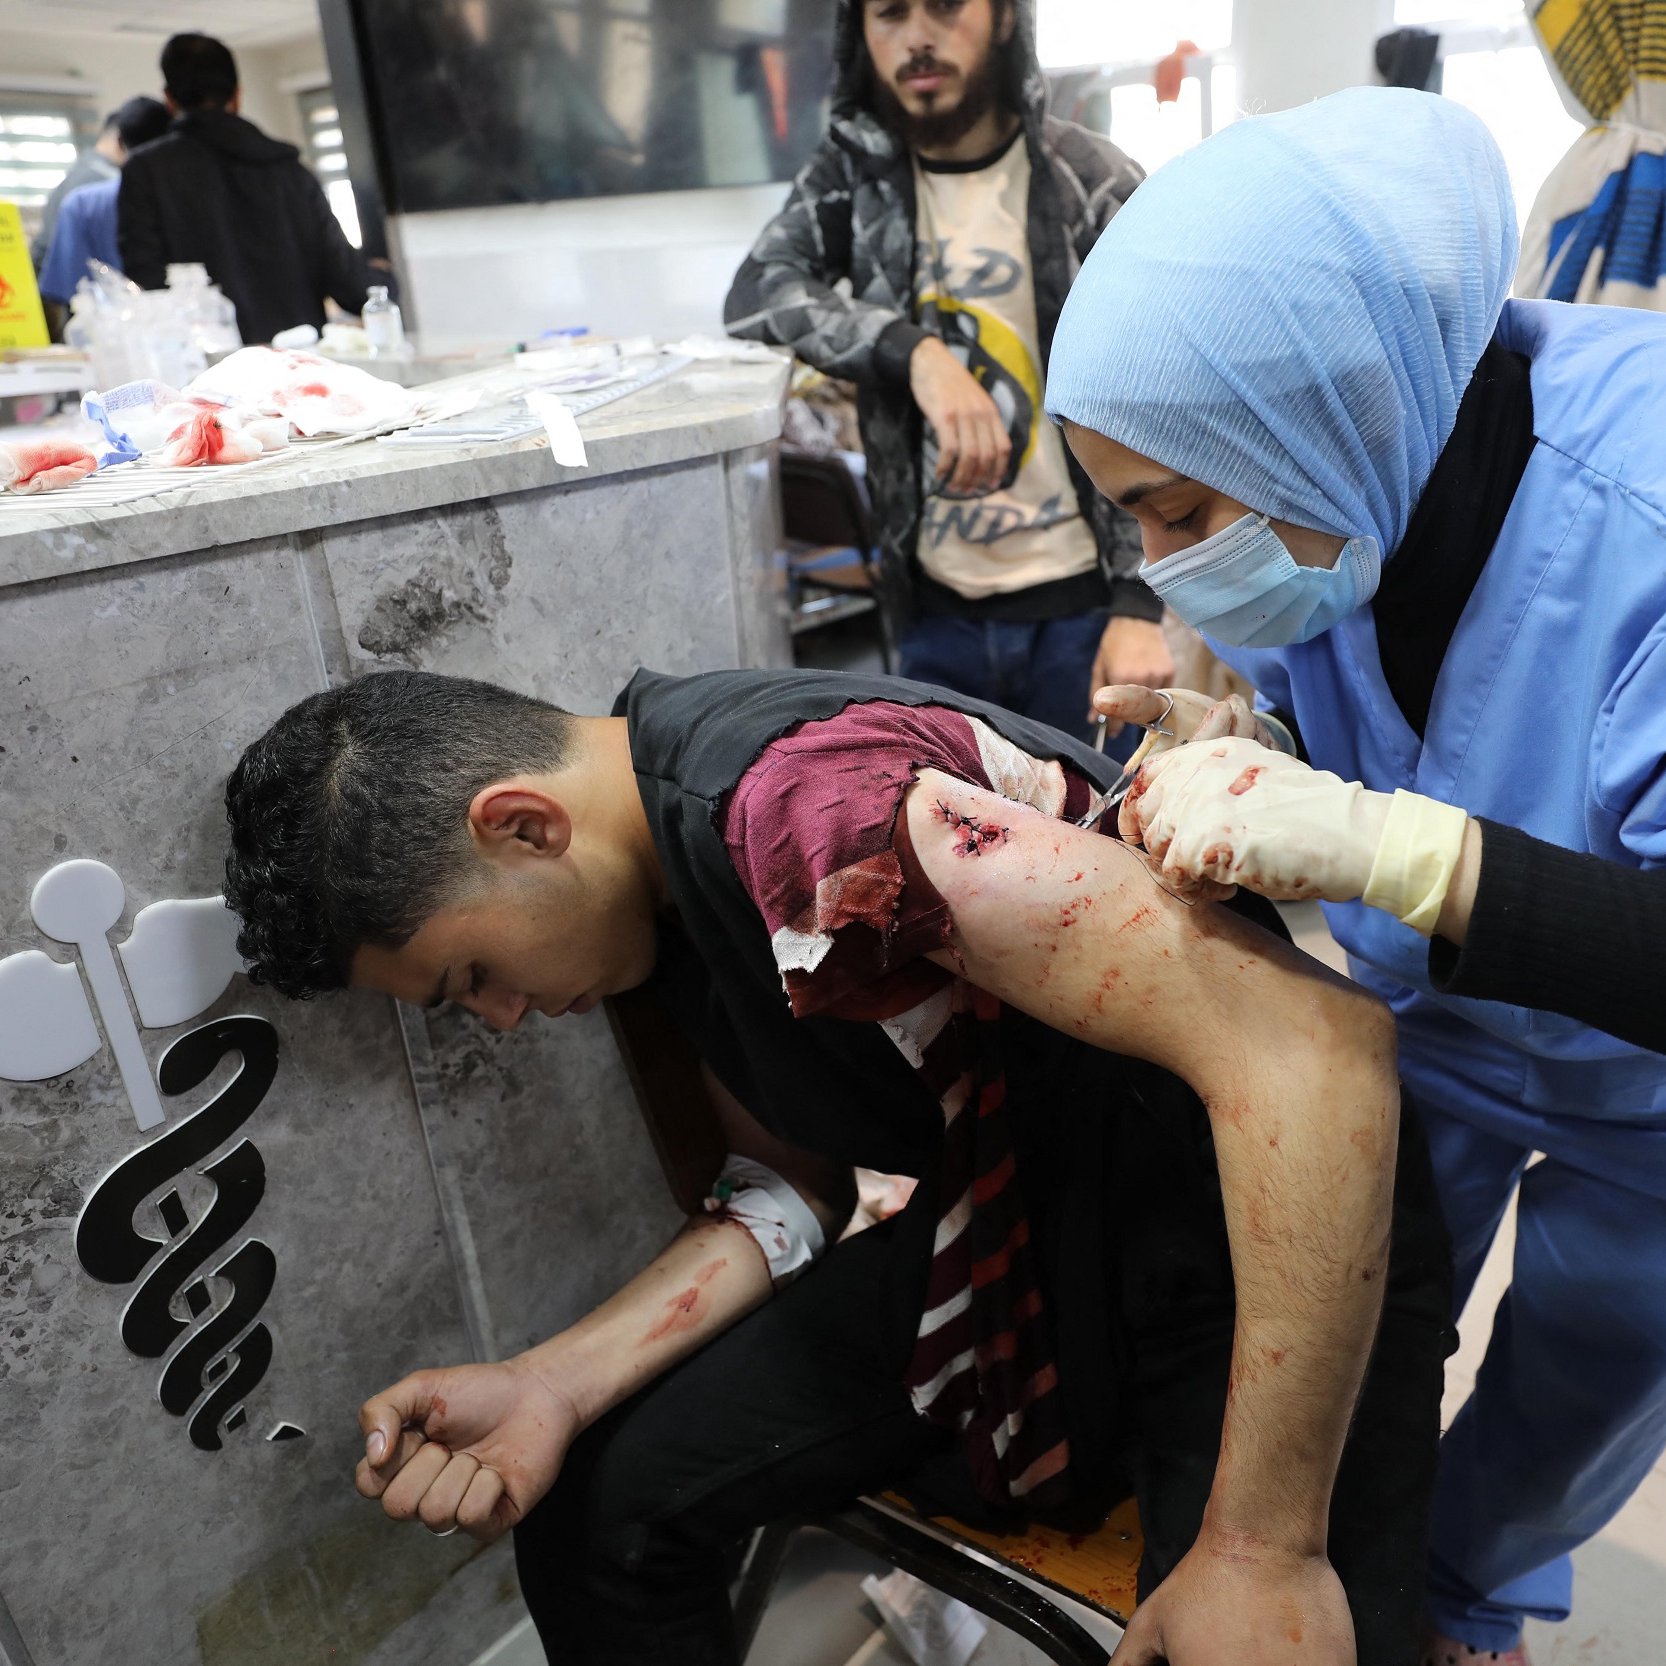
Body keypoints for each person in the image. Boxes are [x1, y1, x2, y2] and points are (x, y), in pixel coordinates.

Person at [224, 663, 1454, 1666]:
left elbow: (1318, 1052)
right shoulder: (645, 885)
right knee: (598, 1517)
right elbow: (784, 1188)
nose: (497, 1015)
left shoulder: (818, 815)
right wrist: (553, 1383)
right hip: (1029, 1215)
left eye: (467, 978)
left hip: (1260, 1233)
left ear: (522, 824)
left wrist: (1261, 1549)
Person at [1045, 85, 1666, 1666]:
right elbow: (1363, 684)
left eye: (1182, 516)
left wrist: (1371, 839)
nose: (1169, 568)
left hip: (1648, 1079)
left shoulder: (1642, 515)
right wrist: (1236, 723)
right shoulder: (1350, 480)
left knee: (1582, 1375)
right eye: (1136, 522)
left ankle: (1471, 1596)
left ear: (1326, 418)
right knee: (1361, 1313)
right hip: (1432, 1015)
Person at [724, 0, 1171, 748]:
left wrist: (1141, 603)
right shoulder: (853, 180)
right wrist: (912, 352)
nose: (918, 37)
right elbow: (756, 294)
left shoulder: (1087, 178)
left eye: (943, 6)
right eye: (890, 14)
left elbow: (1167, 390)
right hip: (931, 618)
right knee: (948, 850)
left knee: (1108, 843)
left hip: (1086, 614)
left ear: (1002, 18)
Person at [117, 33, 384, 345]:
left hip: (208, 376)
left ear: (170, 99)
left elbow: (147, 285)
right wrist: (385, 278)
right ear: (237, 95)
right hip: (301, 364)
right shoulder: (290, 171)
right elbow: (351, 288)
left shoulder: (145, 172)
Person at [36, 102, 171, 305]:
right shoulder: (187, 196)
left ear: (119, 140)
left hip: (103, 323)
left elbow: (65, 287)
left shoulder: (83, 200)